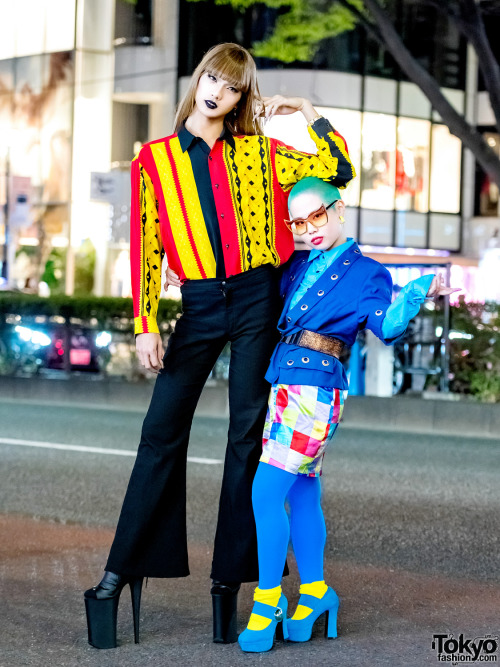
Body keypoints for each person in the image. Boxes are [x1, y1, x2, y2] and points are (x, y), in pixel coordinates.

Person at [83, 43, 356, 650]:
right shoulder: (153, 161)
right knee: (159, 434)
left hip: (259, 301)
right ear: (199, 80)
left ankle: (230, 584)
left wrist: (309, 111)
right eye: (213, 78)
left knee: (246, 440)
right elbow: (147, 247)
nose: (219, 91)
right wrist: (145, 322)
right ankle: (119, 571)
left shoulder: (259, 152)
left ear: (240, 98)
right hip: (201, 305)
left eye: (233, 87)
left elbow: (336, 171)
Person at [237, 176, 459, 653]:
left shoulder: (366, 272)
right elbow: (256, 297)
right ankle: (316, 594)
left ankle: (267, 601)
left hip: (315, 394)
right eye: (299, 222)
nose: (309, 228)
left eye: (317, 215)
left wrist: (418, 291)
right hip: (286, 386)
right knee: (301, 490)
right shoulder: (297, 264)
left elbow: (388, 326)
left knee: (263, 493)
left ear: (339, 210)